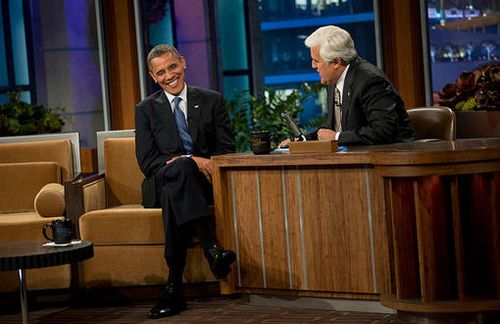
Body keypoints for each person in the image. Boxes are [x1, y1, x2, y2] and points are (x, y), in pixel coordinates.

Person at [135, 45, 236, 319]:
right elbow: (147, 162)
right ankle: (211, 250)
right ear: (153, 77)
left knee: (175, 190)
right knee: (179, 173)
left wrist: (194, 164)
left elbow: (226, 150)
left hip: (202, 183)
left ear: (183, 63)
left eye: (172, 67)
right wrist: (190, 160)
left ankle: (173, 288)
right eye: (161, 72)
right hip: (161, 180)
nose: (169, 75)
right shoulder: (146, 110)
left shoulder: (211, 100)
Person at [281, 25, 415, 147]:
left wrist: (337, 137)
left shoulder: (370, 80)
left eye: (316, 60)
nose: (313, 66)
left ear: (336, 62)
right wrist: (302, 141)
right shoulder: (334, 80)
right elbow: (332, 127)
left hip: (392, 158)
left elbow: (383, 130)